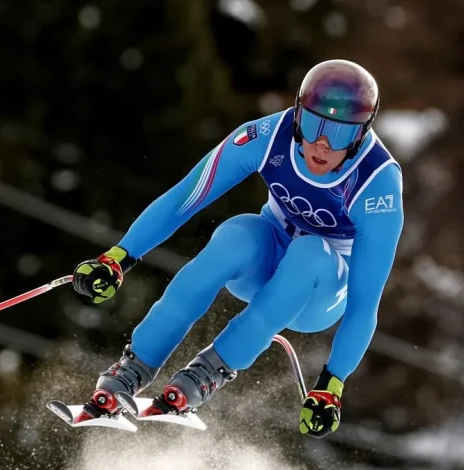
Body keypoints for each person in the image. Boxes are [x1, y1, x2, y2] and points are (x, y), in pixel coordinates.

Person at [70, 59, 404, 438]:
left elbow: (365, 303)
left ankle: (206, 373)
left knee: (310, 251)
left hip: (319, 294)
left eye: (341, 134)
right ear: (297, 114)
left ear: (361, 135)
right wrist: (119, 257)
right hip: (265, 264)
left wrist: (332, 383)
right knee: (237, 233)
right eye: (313, 125)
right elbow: (187, 196)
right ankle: (132, 368)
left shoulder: (378, 183)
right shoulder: (267, 136)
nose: (322, 144)